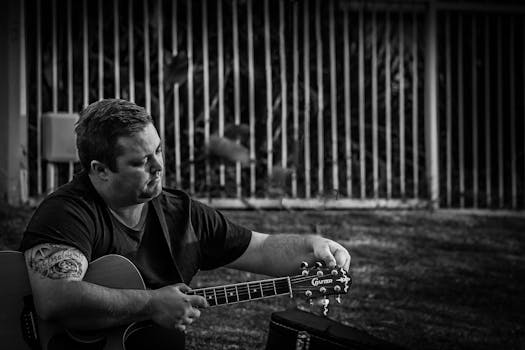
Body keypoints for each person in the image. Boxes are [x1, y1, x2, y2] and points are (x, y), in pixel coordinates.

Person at [20, 99, 351, 349]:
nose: (158, 166)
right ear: (100, 170)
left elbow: (261, 249)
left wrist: (314, 246)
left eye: (159, 151)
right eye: (140, 161)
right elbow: (54, 298)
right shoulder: (68, 212)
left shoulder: (182, 214)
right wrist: (151, 303)